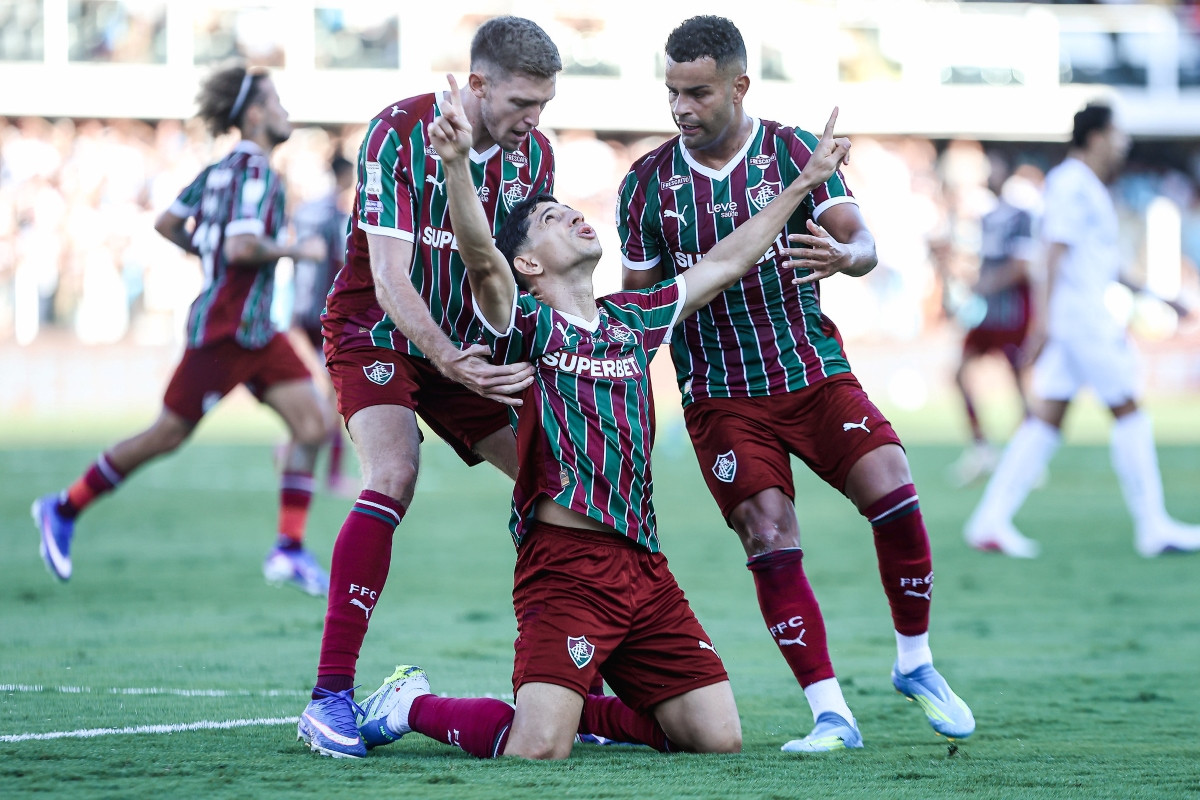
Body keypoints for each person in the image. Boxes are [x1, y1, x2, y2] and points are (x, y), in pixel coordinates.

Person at [350, 75, 852, 761]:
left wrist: (803, 184)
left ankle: (578, 708)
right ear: (528, 261)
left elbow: (729, 259)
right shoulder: (525, 322)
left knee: (716, 738)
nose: (573, 216)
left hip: (644, 565)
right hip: (566, 568)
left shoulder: (634, 319)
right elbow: (482, 261)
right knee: (536, 751)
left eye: (571, 210)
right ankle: (410, 704)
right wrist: (460, 168)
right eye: (552, 218)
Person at [617, 16, 974, 752]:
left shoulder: (791, 151)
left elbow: (861, 239)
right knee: (769, 532)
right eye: (672, 92)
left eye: (698, 92)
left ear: (739, 86)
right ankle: (831, 713)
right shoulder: (646, 185)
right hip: (719, 394)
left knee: (894, 487)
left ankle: (915, 661)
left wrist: (849, 256)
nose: (681, 108)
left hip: (810, 371)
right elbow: (643, 307)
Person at [296, 16, 559, 758]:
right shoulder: (398, 130)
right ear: (477, 85)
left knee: (559, 482)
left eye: (543, 104)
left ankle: (568, 681)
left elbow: (519, 273)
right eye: (521, 103)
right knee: (394, 473)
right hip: (377, 331)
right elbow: (388, 278)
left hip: (468, 342)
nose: (533, 120)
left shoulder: (534, 155)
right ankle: (329, 698)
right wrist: (449, 360)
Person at [31, 63, 333, 596]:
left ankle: (288, 549)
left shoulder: (217, 171)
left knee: (312, 425)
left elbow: (167, 222)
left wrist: (207, 250)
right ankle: (63, 506)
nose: (286, 111)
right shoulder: (257, 172)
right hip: (226, 330)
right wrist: (297, 249)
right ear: (255, 114)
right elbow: (241, 246)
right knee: (165, 435)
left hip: (256, 331)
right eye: (277, 102)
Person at [964, 102, 1200, 559]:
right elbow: (1053, 253)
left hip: (1076, 318)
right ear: (1095, 137)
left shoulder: (1083, 184)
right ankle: (1154, 526)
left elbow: (1100, 262)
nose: (1124, 143)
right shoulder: (1072, 183)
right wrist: (1042, 323)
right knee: (1129, 410)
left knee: (1046, 419)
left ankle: (989, 521)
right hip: (1082, 321)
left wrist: (1160, 295)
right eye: (1117, 134)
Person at [945, 158, 1039, 487]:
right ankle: (981, 447)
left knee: (1019, 380)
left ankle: (1031, 457)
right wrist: (953, 265)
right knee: (960, 373)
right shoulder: (984, 218)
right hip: (987, 313)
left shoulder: (1022, 216)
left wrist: (988, 284)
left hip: (1013, 311)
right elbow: (982, 266)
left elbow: (1023, 266)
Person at [288, 152, 358, 496]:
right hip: (326, 313)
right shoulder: (338, 217)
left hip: (301, 310)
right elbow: (342, 265)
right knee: (334, 398)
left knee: (321, 393)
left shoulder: (307, 211)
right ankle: (332, 474)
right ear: (345, 176)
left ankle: (292, 445)